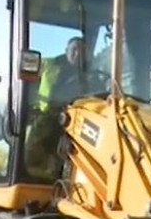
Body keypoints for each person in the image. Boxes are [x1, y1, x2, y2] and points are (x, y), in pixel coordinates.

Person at [26, 36, 104, 179]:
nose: (77, 54)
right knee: (36, 145)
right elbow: (27, 70)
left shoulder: (93, 76)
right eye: (74, 49)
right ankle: (33, 173)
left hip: (79, 120)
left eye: (82, 51)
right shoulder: (51, 66)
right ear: (66, 50)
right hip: (50, 116)